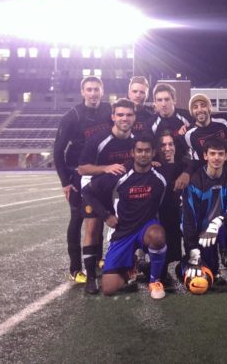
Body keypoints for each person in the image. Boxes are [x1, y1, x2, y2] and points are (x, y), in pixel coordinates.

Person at [81, 135, 168, 298]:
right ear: (132, 153)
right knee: (109, 289)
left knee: (157, 235)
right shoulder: (119, 175)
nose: (143, 154)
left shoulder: (160, 177)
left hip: (146, 228)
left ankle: (155, 281)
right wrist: (106, 215)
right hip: (123, 231)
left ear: (153, 153)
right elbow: (87, 191)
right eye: (139, 151)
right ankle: (130, 268)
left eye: (147, 151)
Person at [53, 76, 112, 285]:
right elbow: (58, 150)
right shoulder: (72, 116)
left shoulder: (109, 111)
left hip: (101, 173)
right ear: (82, 92)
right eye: (89, 89)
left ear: (102, 91)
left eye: (97, 89)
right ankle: (75, 268)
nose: (93, 93)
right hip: (76, 174)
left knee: (97, 216)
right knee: (77, 218)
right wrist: (64, 181)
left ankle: (95, 261)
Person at [77, 98, 138, 294]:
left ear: (134, 117)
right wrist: (106, 168)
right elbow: (82, 168)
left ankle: (122, 268)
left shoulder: (136, 139)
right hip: (93, 188)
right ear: (113, 117)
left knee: (122, 228)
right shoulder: (98, 139)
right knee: (93, 228)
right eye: (120, 114)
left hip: (117, 190)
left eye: (128, 115)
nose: (124, 118)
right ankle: (91, 276)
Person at [181, 138, 227, 298]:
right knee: (201, 276)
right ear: (205, 156)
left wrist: (217, 223)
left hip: (223, 227)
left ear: (226, 156)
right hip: (203, 233)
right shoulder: (195, 181)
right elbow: (189, 218)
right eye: (212, 154)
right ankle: (206, 269)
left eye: (220, 154)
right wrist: (192, 248)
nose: (216, 158)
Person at [153, 131, 184, 285]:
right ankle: (147, 267)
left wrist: (187, 171)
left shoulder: (183, 166)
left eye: (170, 144)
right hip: (161, 217)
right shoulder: (153, 169)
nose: (167, 148)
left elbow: (194, 164)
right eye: (163, 145)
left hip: (181, 217)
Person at [184, 93, 227, 167]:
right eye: (195, 107)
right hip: (206, 176)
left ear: (209, 108)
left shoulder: (223, 121)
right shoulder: (189, 134)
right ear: (191, 112)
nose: (199, 110)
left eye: (203, 105)